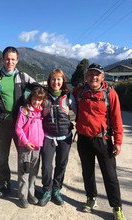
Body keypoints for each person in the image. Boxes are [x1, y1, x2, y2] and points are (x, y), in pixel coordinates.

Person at [73, 63, 125, 220]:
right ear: (86, 77)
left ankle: (117, 207)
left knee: (110, 175)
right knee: (87, 172)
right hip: (83, 139)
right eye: (90, 74)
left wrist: (118, 141)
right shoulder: (79, 92)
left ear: (102, 77)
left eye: (97, 74)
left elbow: (117, 119)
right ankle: (91, 198)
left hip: (103, 140)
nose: (93, 77)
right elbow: (62, 94)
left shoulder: (110, 94)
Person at [0, 46, 35, 197]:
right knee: (2, 157)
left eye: (13, 59)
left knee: (23, 157)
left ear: (17, 60)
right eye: (7, 58)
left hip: (21, 123)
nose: (10, 62)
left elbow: (38, 90)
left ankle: (24, 187)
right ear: (2, 59)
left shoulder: (23, 76)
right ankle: (5, 185)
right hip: (2, 123)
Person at [39, 69, 76, 207]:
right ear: (49, 81)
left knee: (61, 165)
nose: (56, 82)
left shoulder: (69, 97)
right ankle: (47, 190)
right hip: (48, 136)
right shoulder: (44, 96)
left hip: (65, 137)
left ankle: (56, 190)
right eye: (53, 79)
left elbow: (79, 113)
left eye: (59, 79)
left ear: (63, 81)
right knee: (47, 166)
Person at [15, 87, 46, 208]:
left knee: (34, 172)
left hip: (37, 147)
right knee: (24, 171)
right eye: (35, 99)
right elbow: (18, 128)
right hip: (26, 147)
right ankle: (22, 196)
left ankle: (31, 193)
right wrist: (25, 142)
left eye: (40, 100)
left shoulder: (40, 112)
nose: (37, 102)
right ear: (31, 97)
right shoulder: (24, 111)